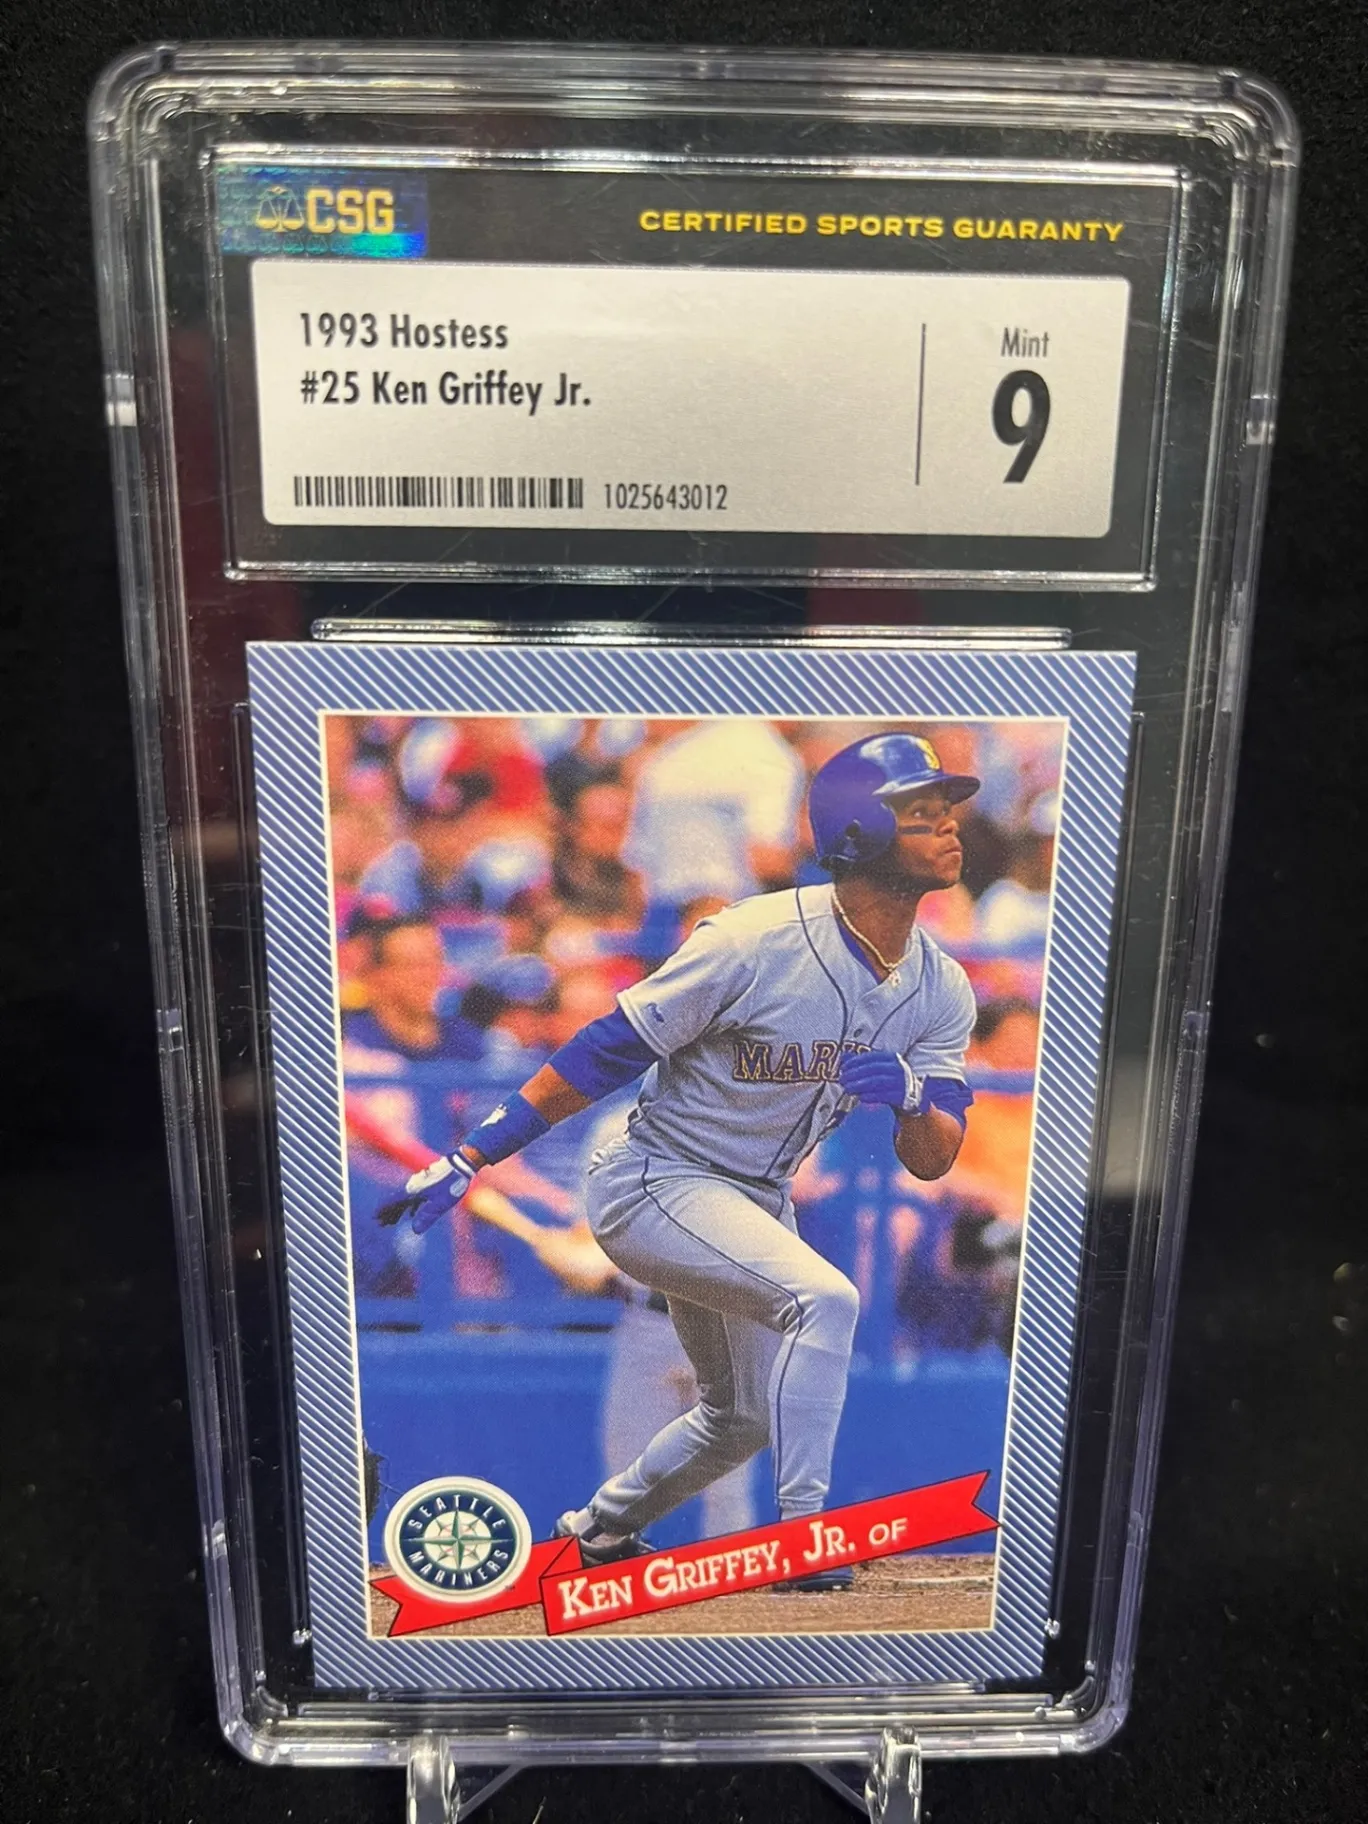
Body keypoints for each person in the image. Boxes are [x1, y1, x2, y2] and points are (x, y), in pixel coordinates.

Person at [379, 732, 979, 1592]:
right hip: (655, 1178)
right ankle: (804, 1537)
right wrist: (473, 1154)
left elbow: (933, 1159)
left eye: (947, 810)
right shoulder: (753, 938)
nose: (950, 826)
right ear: (860, 833)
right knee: (826, 1298)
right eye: (922, 813)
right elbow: (605, 1049)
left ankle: (598, 1529)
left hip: (754, 1201)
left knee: (740, 1417)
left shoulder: (941, 985)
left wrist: (914, 1101)